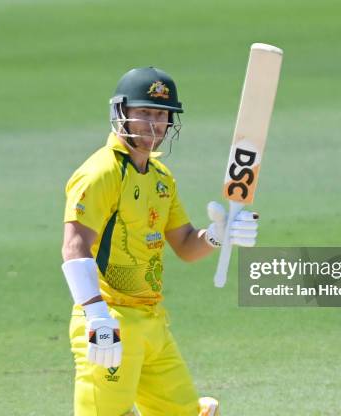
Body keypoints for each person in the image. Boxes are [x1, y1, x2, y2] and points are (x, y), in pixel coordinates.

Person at [61, 66, 258, 416]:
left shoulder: (161, 176)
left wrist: (218, 235)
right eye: (145, 113)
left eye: (162, 115)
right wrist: (96, 317)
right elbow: (74, 244)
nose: (155, 124)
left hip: (153, 324)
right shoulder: (102, 172)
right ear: (121, 113)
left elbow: (184, 244)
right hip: (110, 320)